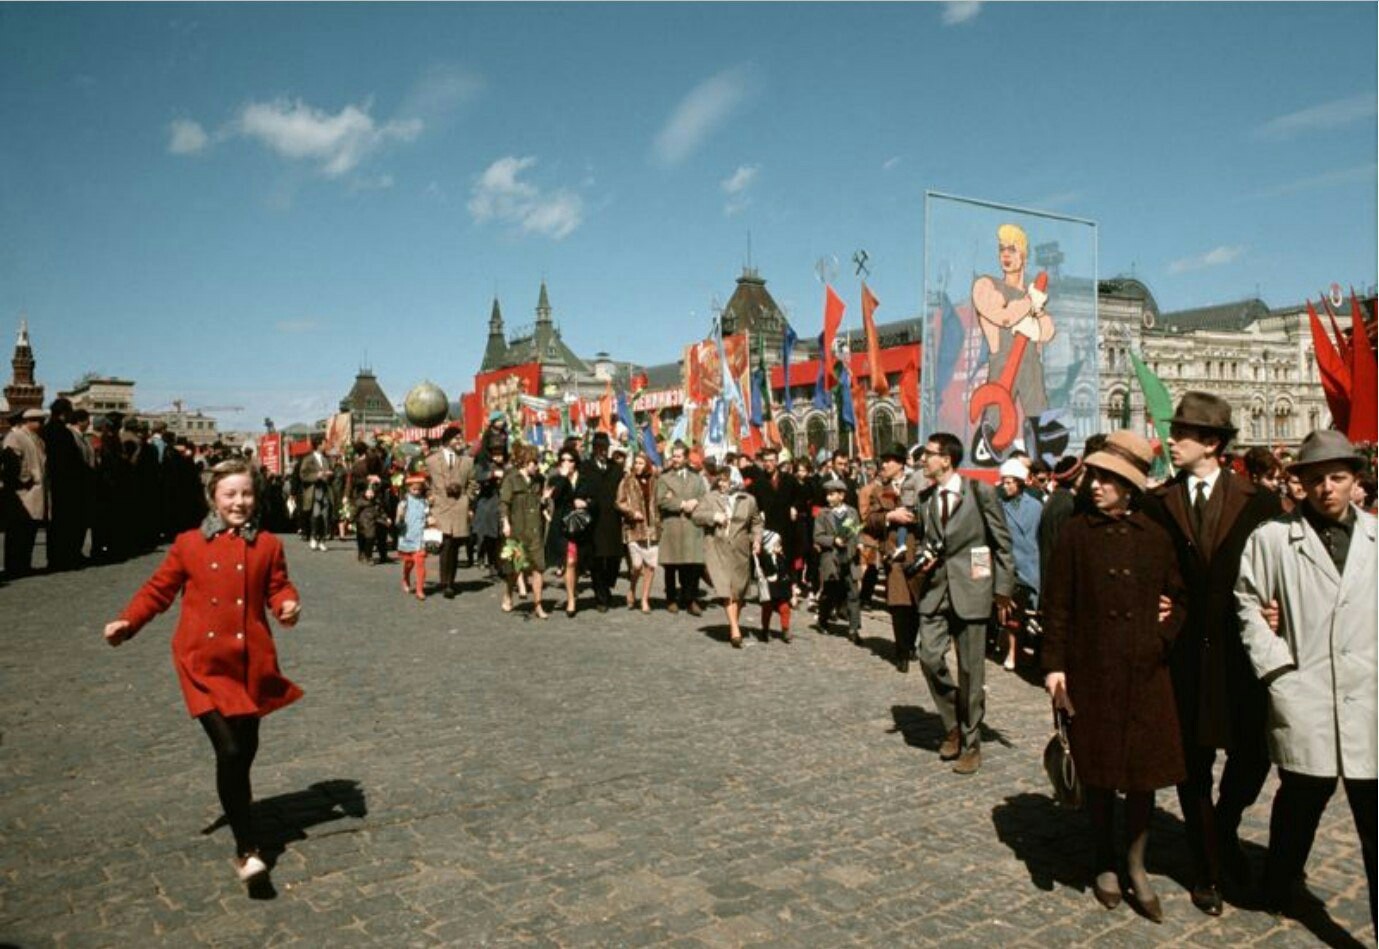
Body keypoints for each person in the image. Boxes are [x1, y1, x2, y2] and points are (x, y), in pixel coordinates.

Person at [103, 458, 303, 885]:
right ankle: (247, 849)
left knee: (243, 755)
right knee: (229, 751)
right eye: (230, 494)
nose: (239, 502)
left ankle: (238, 811)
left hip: (249, 663)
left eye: (246, 493)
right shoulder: (189, 544)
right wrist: (129, 621)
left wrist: (286, 605)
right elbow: (158, 590)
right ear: (213, 497)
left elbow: (277, 586)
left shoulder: (267, 544)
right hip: (202, 663)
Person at [1142, 392, 1282, 916]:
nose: (1171, 442)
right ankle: (1206, 869)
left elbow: (1281, 575)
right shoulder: (1159, 503)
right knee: (1192, 768)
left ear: (1213, 444)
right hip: (1182, 660)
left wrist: (1278, 616)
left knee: (1252, 759)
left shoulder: (1259, 502)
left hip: (1243, 661)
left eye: (1181, 435)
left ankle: (1223, 830)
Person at [1043, 431, 1187, 922]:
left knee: (1144, 776)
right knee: (1100, 772)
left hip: (1146, 673)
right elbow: (1056, 606)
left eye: (1107, 478)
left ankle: (1136, 862)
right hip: (1092, 671)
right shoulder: (1074, 534)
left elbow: (1179, 599)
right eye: (1094, 476)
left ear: (1130, 487)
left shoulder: (1156, 536)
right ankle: (1103, 858)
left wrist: (1163, 634)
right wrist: (1055, 668)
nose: (1096, 485)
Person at [1235, 430, 1376, 926]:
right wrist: (1277, 669)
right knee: (1299, 799)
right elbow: (1248, 604)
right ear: (1298, 485)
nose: (1326, 489)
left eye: (1337, 477)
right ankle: (1278, 883)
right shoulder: (1273, 538)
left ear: (1356, 481)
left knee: (1373, 814)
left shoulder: (1377, 538)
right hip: (1306, 691)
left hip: (1368, 696)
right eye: (1314, 479)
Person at [912, 432, 1015, 775]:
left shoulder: (978, 491)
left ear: (947, 459)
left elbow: (1000, 542)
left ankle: (970, 745)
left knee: (971, 671)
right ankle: (955, 718)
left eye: (928, 454)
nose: (923, 460)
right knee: (928, 656)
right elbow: (931, 542)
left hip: (973, 590)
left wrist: (1001, 589)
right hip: (935, 591)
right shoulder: (925, 498)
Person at [971, 223, 1056, 430]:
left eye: (1012, 249)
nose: (1005, 255)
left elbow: (1047, 333)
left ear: (1024, 255)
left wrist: (1039, 310)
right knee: (997, 427)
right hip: (1002, 365)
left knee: (1041, 428)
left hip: (1032, 366)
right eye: (1002, 249)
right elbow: (1003, 317)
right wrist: (1029, 301)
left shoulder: (1035, 295)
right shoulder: (986, 284)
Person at [692, 461, 763, 648]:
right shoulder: (710, 497)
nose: (723, 484)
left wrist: (757, 540)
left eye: (727, 481)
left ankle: (734, 623)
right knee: (726, 590)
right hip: (717, 548)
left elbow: (756, 522)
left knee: (738, 591)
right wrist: (713, 517)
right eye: (721, 481)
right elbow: (696, 516)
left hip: (740, 550)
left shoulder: (748, 500)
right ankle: (734, 629)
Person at [996, 457, 1043, 671]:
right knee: (1013, 616)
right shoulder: (999, 506)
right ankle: (1012, 653)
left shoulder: (1035, 506)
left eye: (1009, 482)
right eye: (1003, 482)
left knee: (1034, 614)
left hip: (1033, 563)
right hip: (1012, 565)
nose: (1005, 486)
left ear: (1019, 482)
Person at [655, 441, 706, 615]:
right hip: (673, 526)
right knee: (671, 566)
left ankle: (690, 599)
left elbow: (703, 496)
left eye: (678, 456)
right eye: (673, 456)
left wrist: (696, 502)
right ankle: (671, 599)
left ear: (685, 458)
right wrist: (681, 503)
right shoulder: (664, 478)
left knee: (691, 566)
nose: (674, 459)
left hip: (692, 526)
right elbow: (661, 500)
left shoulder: (696, 478)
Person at [425, 427, 476, 599]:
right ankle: (446, 582)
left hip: (460, 507)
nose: (459, 441)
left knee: (454, 546)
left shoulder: (467, 461)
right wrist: (429, 499)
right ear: (447, 440)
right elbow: (425, 482)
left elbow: (473, 484)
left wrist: (468, 500)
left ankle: (451, 581)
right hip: (440, 506)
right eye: (456, 438)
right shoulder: (431, 461)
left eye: (460, 438)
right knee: (445, 544)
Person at [499, 443, 548, 618]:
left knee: (538, 568)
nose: (537, 465)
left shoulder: (539, 480)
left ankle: (538, 605)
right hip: (517, 530)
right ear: (525, 462)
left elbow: (541, 503)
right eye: (534, 462)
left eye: (538, 462)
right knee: (515, 568)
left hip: (535, 530)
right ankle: (508, 594)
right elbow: (504, 504)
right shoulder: (511, 480)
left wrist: (545, 501)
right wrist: (505, 523)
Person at [577, 432, 624, 612]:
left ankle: (607, 585)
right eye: (599, 448)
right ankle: (600, 596)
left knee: (614, 559)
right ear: (594, 448)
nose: (603, 451)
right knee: (597, 560)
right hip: (594, 520)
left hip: (613, 520)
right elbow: (580, 488)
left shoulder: (616, 468)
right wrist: (583, 500)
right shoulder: (586, 467)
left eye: (605, 448)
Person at [813, 478, 862, 643]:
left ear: (842, 495)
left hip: (849, 558)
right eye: (827, 494)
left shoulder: (852, 513)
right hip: (831, 558)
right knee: (829, 592)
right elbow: (817, 536)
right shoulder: (822, 514)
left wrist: (857, 543)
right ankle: (823, 620)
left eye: (832, 494)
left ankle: (854, 628)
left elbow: (856, 530)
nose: (828, 498)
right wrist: (833, 540)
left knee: (853, 593)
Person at [2, 408, 48, 577]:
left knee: (29, 531)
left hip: (35, 491)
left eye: (41, 420)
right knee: (17, 531)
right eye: (37, 420)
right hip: (24, 491)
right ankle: (14, 567)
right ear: (27, 421)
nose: (40, 424)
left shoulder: (38, 439)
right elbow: (11, 462)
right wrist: (25, 478)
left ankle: (24, 564)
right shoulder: (16, 436)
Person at [615, 451, 660, 614]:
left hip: (652, 528)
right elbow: (619, 502)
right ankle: (632, 587)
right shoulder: (627, 480)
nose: (638, 466)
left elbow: (660, 500)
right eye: (636, 463)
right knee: (636, 565)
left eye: (641, 463)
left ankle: (645, 599)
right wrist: (632, 512)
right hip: (634, 528)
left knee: (650, 566)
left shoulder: (655, 481)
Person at [395, 474, 430, 600]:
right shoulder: (404, 503)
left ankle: (420, 589)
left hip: (420, 537)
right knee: (409, 562)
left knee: (420, 563)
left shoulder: (425, 502)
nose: (417, 492)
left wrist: (430, 520)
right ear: (409, 489)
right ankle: (405, 577)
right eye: (414, 489)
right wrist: (400, 518)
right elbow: (397, 521)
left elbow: (428, 516)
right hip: (407, 535)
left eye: (419, 489)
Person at [756, 529, 794, 642]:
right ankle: (765, 630)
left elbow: (786, 571)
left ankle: (785, 629)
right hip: (769, 589)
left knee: (785, 609)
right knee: (767, 610)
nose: (780, 546)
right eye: (777, 544)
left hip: (780, 590)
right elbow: (769, 570)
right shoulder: (765, 558)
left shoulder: (781, 557)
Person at [297, 435, 332, 551]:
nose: (326, 445)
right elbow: (302, 475)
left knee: (325, 516)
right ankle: (313, 537)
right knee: (316, 515)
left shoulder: (326, 459)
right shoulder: (308, 459)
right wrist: (316, 476)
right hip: (314, 491)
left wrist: (328, 474)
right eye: (324, 443)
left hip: (325, 490)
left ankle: (322, 540)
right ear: (318, 444)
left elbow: (329, 474)